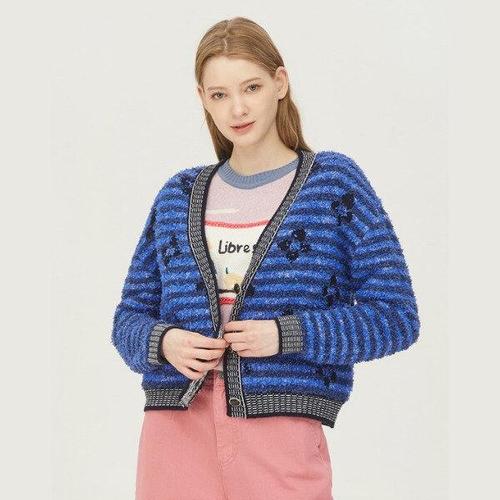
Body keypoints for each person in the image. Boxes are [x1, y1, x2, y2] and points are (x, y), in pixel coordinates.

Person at [111, 16, 420, 500]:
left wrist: (286, 334)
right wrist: (164, 342)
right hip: (174, 428)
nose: (237, 108)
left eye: (251, 87)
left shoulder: (332, 185)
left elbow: (396, 317)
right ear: (202, 98)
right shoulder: (178, 195)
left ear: (280, 82)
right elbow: (128, 317)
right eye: (219, 94)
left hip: (281, 432)